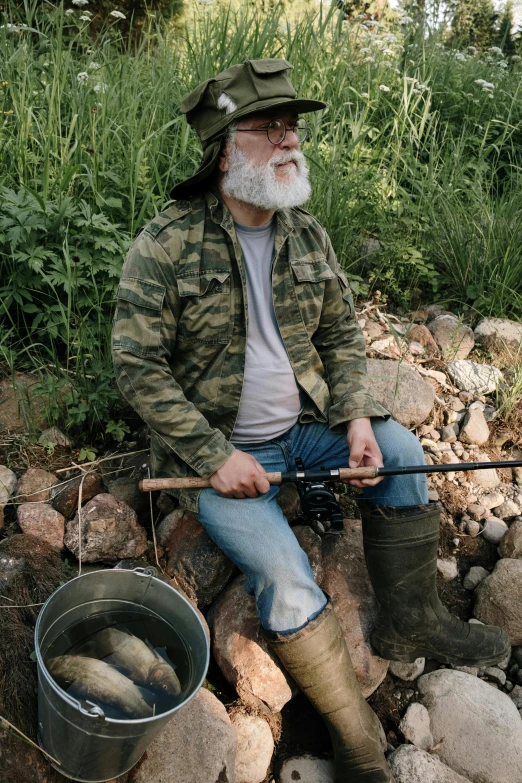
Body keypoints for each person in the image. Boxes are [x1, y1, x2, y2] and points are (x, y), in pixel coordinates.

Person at [112, 59, 509, 783]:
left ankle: (409, 617)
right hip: (218, 452)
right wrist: (212, 453)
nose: (290, 138)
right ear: (227, 148)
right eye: (269, 127)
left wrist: (356, 415)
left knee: (400, 452)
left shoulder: (307, 234)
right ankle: (358, 746)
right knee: (288, 579)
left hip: (305, 427)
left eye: (292, 124)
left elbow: (341, 337)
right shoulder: (166, 243)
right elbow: (137, 368)